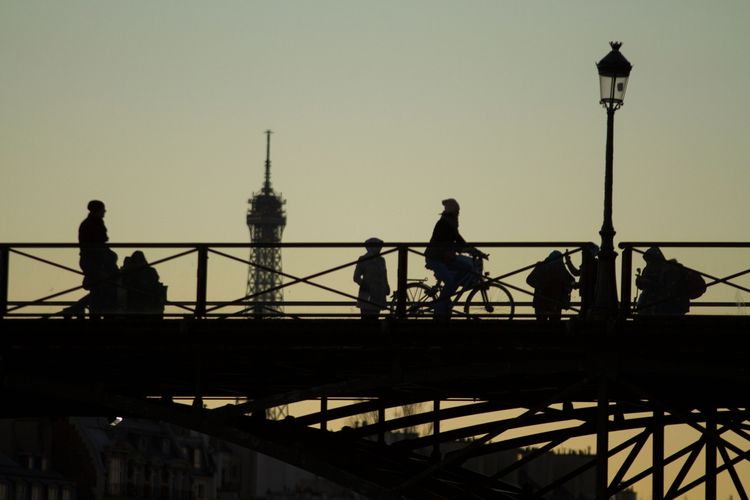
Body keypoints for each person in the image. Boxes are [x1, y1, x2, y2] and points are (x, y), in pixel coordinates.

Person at [424, 198, 486, 318]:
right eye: (457, 211)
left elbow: (459, 240)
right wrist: (471, 251)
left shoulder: (449, 223)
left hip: (445, 258)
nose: (458, 214)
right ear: (453, 212)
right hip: (435, 258)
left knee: (467, 267)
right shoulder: (444, 224)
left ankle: (446, 298)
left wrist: (475, 251)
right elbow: (456, 242)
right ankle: (440, 308)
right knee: (450, 282)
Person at [636, 246, 705, 316]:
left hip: (667, 308)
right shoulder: (666, 268)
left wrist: (648, 282)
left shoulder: (669, 269)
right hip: (666, 307)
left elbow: (666, 288)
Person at [78, 200, 119, 317]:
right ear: (98, 211)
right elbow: (96, 245)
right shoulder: (92, 224)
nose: (105, 211)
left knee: (99, 289)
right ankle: (97, 315)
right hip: (96, 263)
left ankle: (90, 312)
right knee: (101, 289)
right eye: (103, 209)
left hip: (95, 262)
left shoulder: (91, 223)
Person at [526, 250, 576, 321]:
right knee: (554, 328)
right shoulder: (560, 267)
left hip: (541, 303)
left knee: (540, 327)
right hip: (555, 303)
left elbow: (529, 280)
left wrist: (540, 286)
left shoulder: (541, 266)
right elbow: (571, 280)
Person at [120, 250, 166, 318]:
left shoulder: (131, 273)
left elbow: (125, 284)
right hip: (149, 305)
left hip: (136, 305)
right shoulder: (151, 271)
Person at [352, 238, 390, 319]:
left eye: (380, 246)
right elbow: (356, 277)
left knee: (375, 319)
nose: (379, 248)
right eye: (377, 246)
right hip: (367, 293)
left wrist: (387, 286)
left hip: (378, 293)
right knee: (366, 320)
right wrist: (364, 284)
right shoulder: (363, 259)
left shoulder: (382, 260)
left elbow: (384, 274)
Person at [564, 244, 598, 316]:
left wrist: (577, 285)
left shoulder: (592, 264)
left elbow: (578, 274)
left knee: (585, 312)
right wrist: (568, 260)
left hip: (590, 292)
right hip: (588, 292)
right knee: (585, 312)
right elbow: (577, 273)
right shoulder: (593, 263)